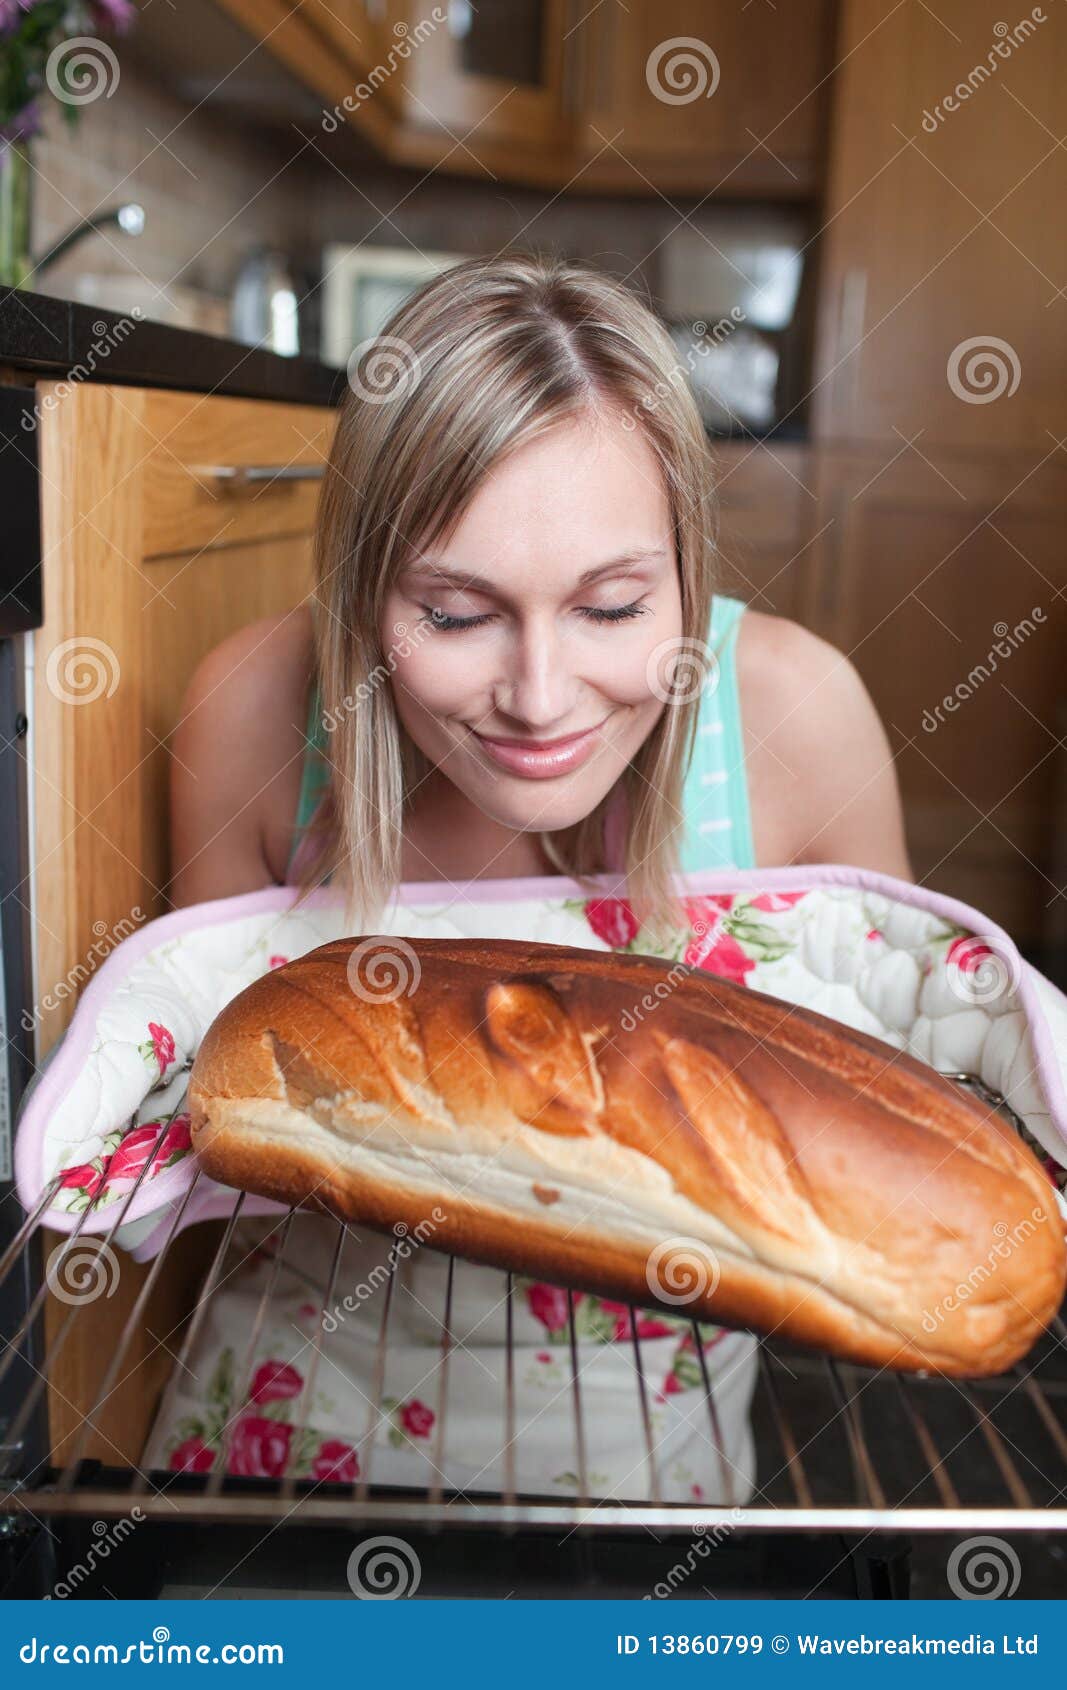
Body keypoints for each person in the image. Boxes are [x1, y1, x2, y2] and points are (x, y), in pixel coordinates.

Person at [159, 254, 912, 1504]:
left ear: (686, 566)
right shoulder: (252, 711)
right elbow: (205, 1114)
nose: (540, 698)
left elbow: (871, 1127)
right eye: (454, 615)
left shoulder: (794, 716)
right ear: (357, 593)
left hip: (645, 1474)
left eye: (612, 606)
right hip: (283, 1433)